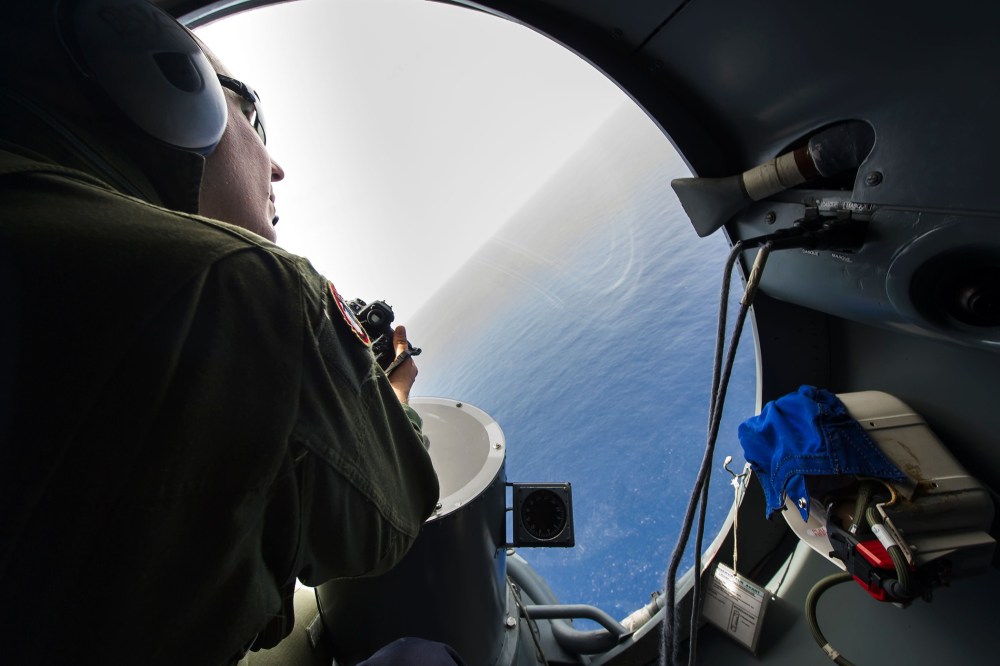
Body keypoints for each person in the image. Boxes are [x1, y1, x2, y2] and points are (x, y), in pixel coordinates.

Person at [0, 1, 443, 663]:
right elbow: (392, 509)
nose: (276, 167)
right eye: (252, 116)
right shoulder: (242, 285)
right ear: (172, 88)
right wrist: (393, 395)